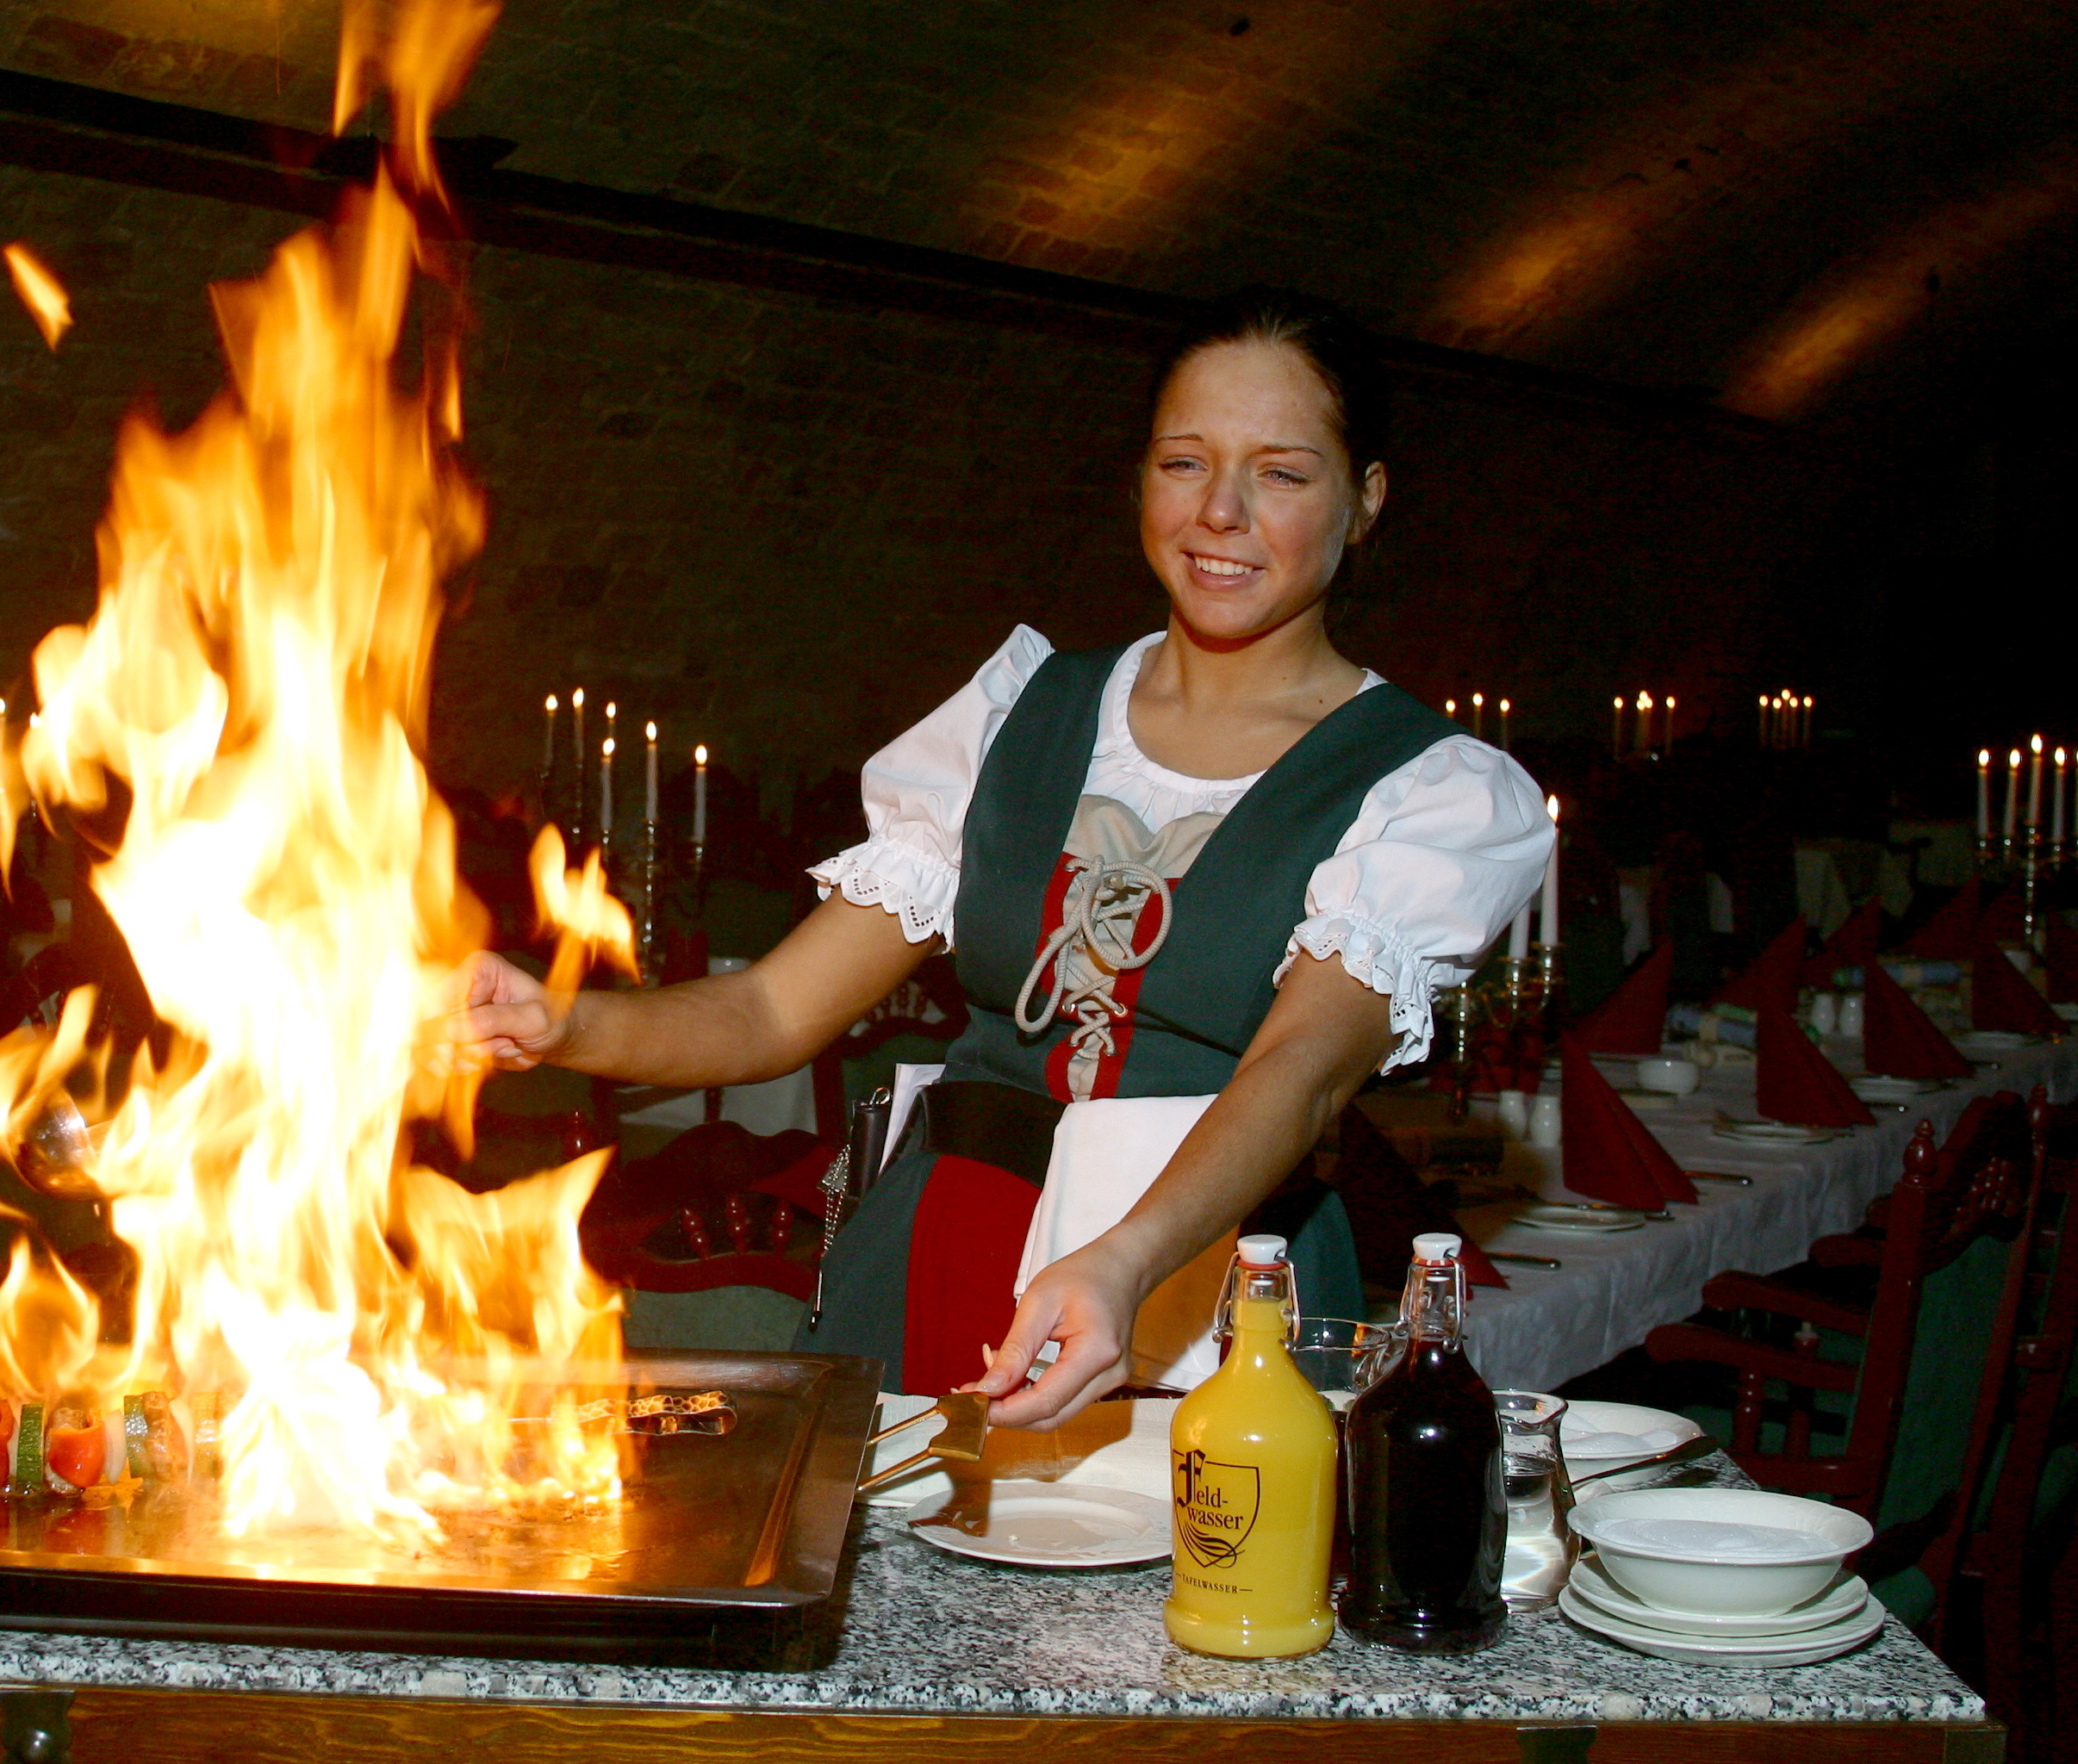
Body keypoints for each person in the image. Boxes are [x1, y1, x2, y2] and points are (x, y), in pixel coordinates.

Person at [454, 288, 1551, 1431]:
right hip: (942, 1247)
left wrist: (1125, 1263)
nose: (1220, 511)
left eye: (1282, 473)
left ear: (1364, 500)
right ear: (1140, 480)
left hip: (1216, 1286)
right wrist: (566, 1024)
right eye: (1184, 462)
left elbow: (1302, 1069)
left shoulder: (1423, 786)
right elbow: (775, 1013)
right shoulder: (1020, 707)